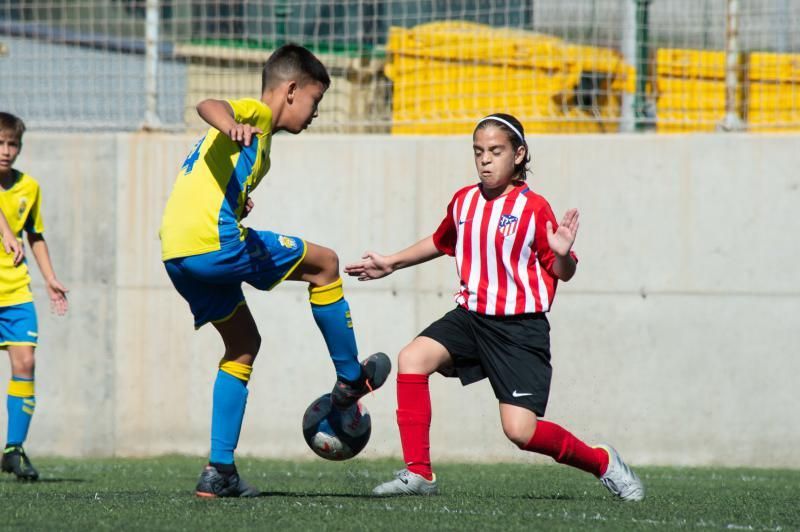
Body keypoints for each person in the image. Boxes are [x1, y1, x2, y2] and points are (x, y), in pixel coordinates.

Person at [345, 113, 645, 502]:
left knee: (520, 432)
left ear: (518, 155)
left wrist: (563, 254)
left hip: (519, 330)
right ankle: (419, 473)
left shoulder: (533, 208)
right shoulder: (464, 201)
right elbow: (441, 241)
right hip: (471, 318)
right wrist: (391, 262)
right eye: (479, 152)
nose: (485, 160)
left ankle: (602, 462)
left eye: (496, 151)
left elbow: (563, 272)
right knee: (412, 358)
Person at [159, 44, 390, 498]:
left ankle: (218, 471)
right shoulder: (257, 118)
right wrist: (230, 122)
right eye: (315, 100)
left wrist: (235, 202)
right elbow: (208, 104)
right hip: (213, 243)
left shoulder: (258, 153)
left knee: (243, 345)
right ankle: (348, 380)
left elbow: (207, 184)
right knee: (325, 264)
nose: (316, 112)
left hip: (177, 254)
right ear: (289, 91)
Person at [0, 112, 69, 481]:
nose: (6, 151)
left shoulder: (29, 188)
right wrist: (6, 234)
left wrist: (50, 278)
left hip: (15, 291)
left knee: (25, 364)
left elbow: (35, 236)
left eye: (12, 144)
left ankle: (13, 449)